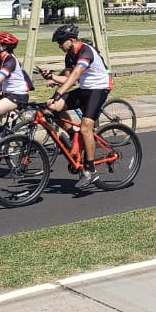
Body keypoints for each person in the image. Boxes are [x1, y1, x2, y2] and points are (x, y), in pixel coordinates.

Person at [39, 23, 111, 191]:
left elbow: (76, 76)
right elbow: (68, 79)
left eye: (60, 42)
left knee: (86, 128)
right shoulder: (70, 55)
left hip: (99, 89)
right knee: (50, 110)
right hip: (85, 88)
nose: (59, 45)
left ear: (71, 40)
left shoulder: (85, 51)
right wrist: (52, 77)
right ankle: (73, 136)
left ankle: (91, 170)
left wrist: (58, 94)